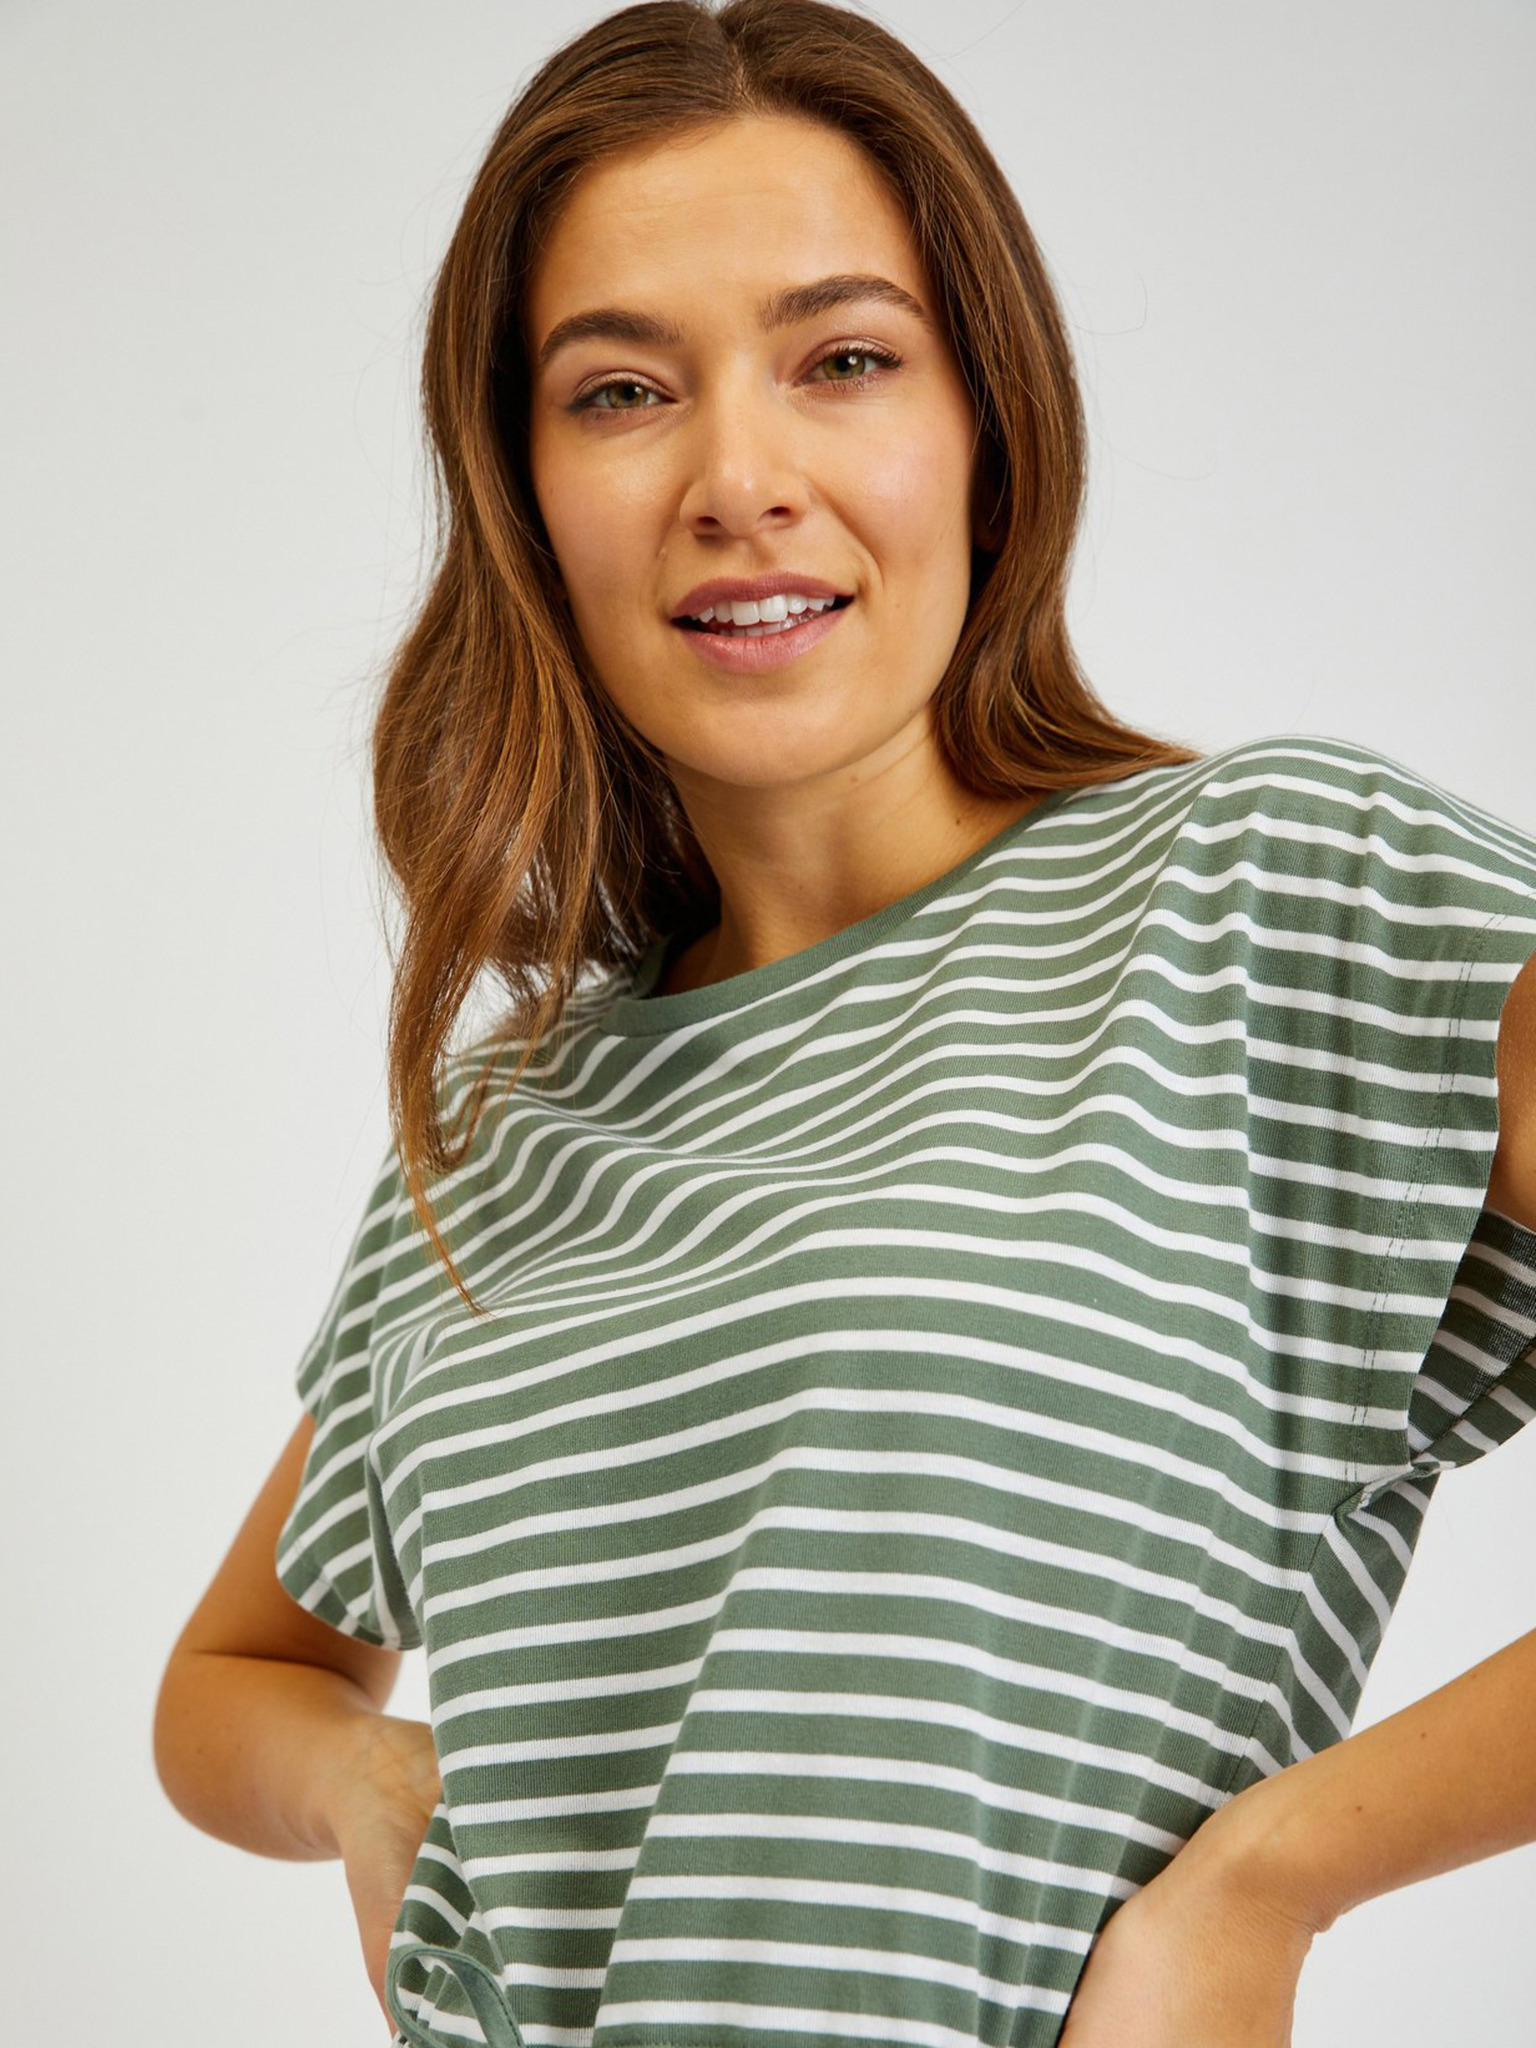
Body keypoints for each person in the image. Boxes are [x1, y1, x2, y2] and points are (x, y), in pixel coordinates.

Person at [152, 4, 1536, 2045]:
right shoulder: (513, 1126)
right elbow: (229, 1689)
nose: (738, 480)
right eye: (622, 391)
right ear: (525, 493)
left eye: (845, 360)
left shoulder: (1272, 896)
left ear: (987, 423)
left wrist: (1278, 1877)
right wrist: (366, 1782)